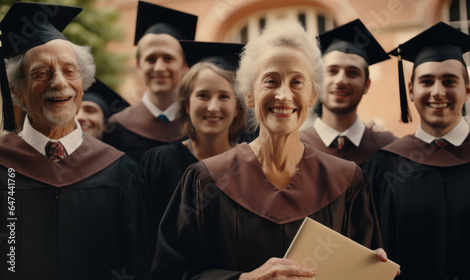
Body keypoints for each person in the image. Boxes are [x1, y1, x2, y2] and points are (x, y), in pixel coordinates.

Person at [150, 22, 392, 280]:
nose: (284, 95)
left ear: (312, 96)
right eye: (271, 81)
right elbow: (171, 274)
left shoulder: (347, 182)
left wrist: (369, 270)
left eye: (297, 81)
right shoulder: (206, 180)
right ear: (249, 94)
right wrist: (244, 279)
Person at [0, 3, 152, 279]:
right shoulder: (3, 163)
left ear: (83, 83)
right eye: (41, 73)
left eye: (70, 70)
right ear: (16, 91)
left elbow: (139, 266)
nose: (59, 82)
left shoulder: (122, 172)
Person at [364, 22, 470, 280]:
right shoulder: (383, 168)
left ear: (467, 90)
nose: (438, 92)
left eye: (449, 81)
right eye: (427, 81)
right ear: (412, 91)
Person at [141, 40, 246, 225]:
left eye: (224, 96)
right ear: (187, 105)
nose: (213, 107)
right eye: (202, 96)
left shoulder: (250, 164)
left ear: (237, 107)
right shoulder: (159, 163)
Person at [103, 0, 197, 162]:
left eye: (168, 58)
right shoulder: (116, 128)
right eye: (151, 59)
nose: (159, 67)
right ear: (138, 66)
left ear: (185, 65)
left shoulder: (199, 124)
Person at [300, 19, 397, 167]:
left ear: (366, 85)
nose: (340, 81)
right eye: (332, 71)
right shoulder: (294, 147)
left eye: (352, 73)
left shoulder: (389, 147)